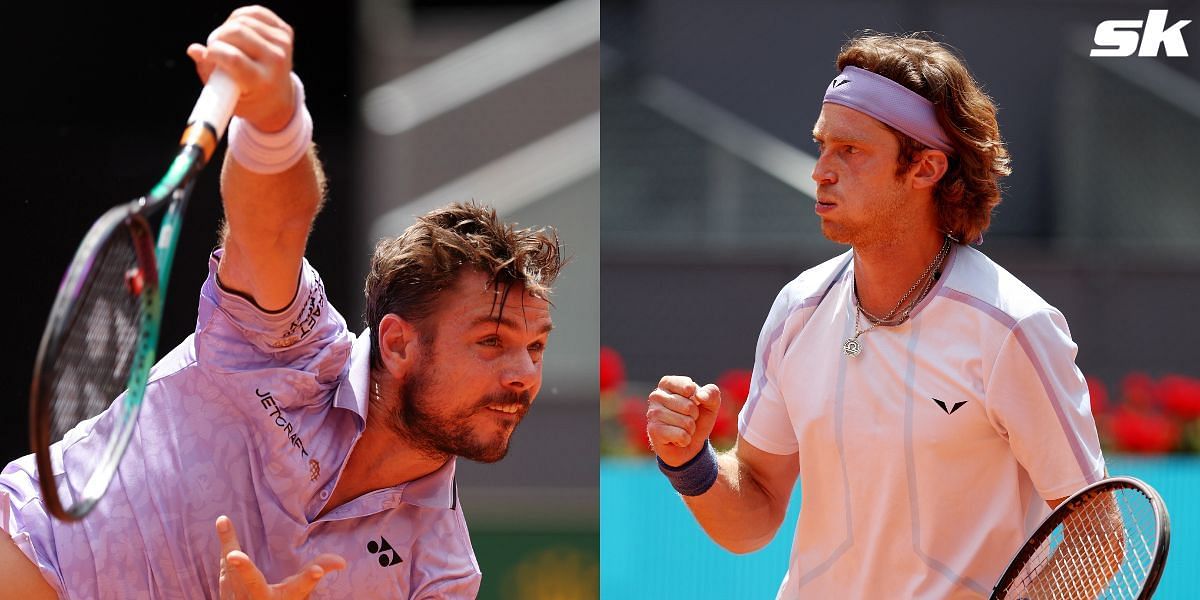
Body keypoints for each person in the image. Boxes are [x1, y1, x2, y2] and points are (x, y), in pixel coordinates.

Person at [0, 6, 564, 598]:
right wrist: (274, 121)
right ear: (398, 343)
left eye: (536, 347)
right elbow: (273, 227)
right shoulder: (290, 345)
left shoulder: (441, 576)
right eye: (491, 342)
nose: (524, 375)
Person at [646, 33, 1104, 599]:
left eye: (851, 151)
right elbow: (755, 511)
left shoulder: (1013, 327)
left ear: (925, 168)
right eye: (821, 147)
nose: (821, 171)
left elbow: (1098, 534)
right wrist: (692, 462)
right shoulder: (798, 309)